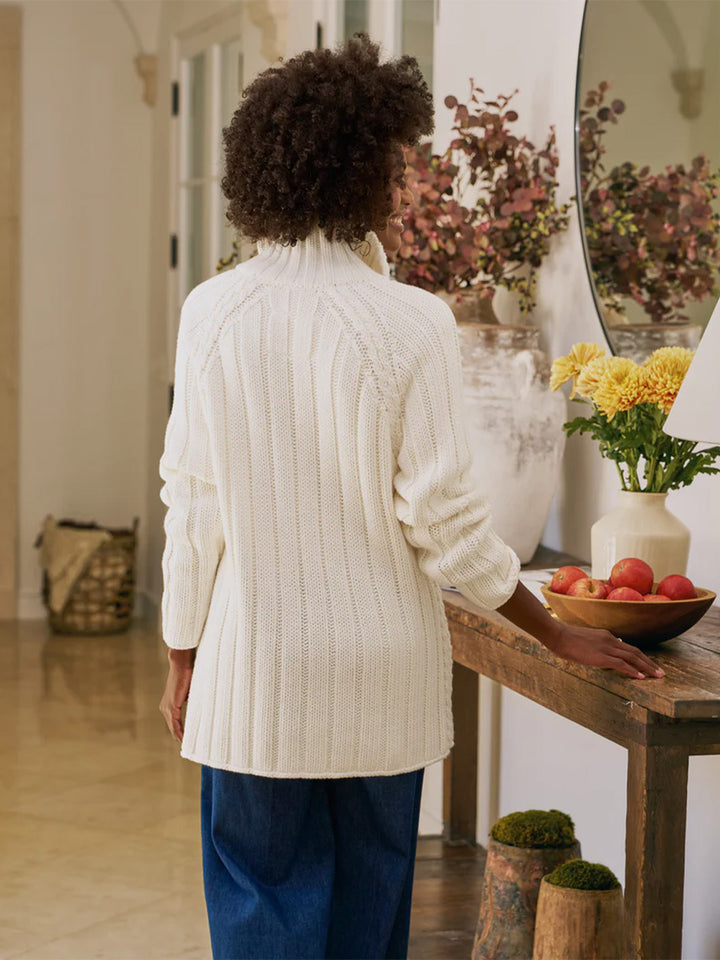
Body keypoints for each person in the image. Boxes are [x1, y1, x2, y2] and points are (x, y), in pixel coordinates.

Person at [158, 35, 663, 960]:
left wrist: (184, 654)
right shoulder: (413, 323)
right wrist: (550, 629)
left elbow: (193, 509)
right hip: (383, 683)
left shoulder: (212, 314)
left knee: (263, 901)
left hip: (256, 672)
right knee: (369, 916)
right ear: (363, 173)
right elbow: (448, 527)